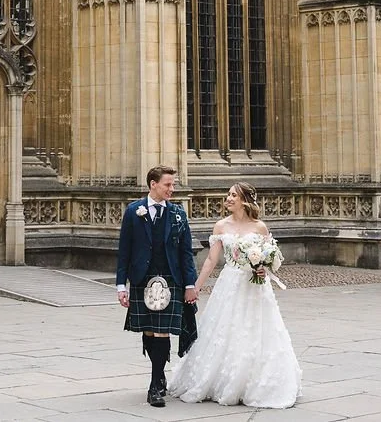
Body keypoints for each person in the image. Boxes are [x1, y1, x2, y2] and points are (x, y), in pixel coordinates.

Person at [167, 181, 302, 408]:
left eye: (233, 195)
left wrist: (263, 267)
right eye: (228, 194)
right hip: (230, 283)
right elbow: (211, 260)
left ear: (245, 200)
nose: (228, 199)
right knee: (225, 329)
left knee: (258, 329)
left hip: (255, 287)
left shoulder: (260, 227)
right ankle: (220, 379)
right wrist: (196, 287)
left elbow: (272, 258)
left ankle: (258, 382)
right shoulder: (221, 226)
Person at [116, 165, 200, 408]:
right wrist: (121, 285)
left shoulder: (177, 213)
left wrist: (190, 284)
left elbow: (186, 252)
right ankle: (159, 373)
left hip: (171, 279)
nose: (172, 189)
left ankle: (154, 386)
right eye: (168, 185)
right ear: (153, 184)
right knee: (150, 331)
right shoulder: (134, 211)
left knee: (162, 331)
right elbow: (125, 251)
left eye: (173, 185)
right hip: (142, 278)